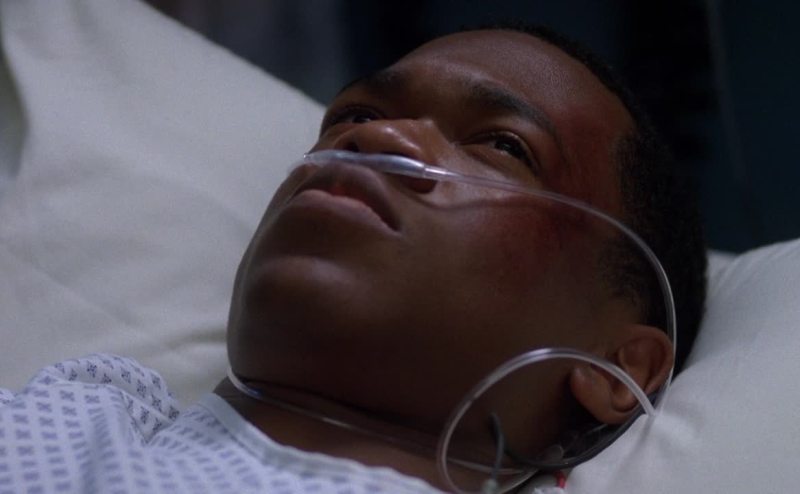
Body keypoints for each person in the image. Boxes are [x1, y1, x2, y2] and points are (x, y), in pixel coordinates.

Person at [0, 25, 706, 493]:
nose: (378, 139)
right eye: (354, 117)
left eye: (502, 145)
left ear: (616, 369)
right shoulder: (73, 418)